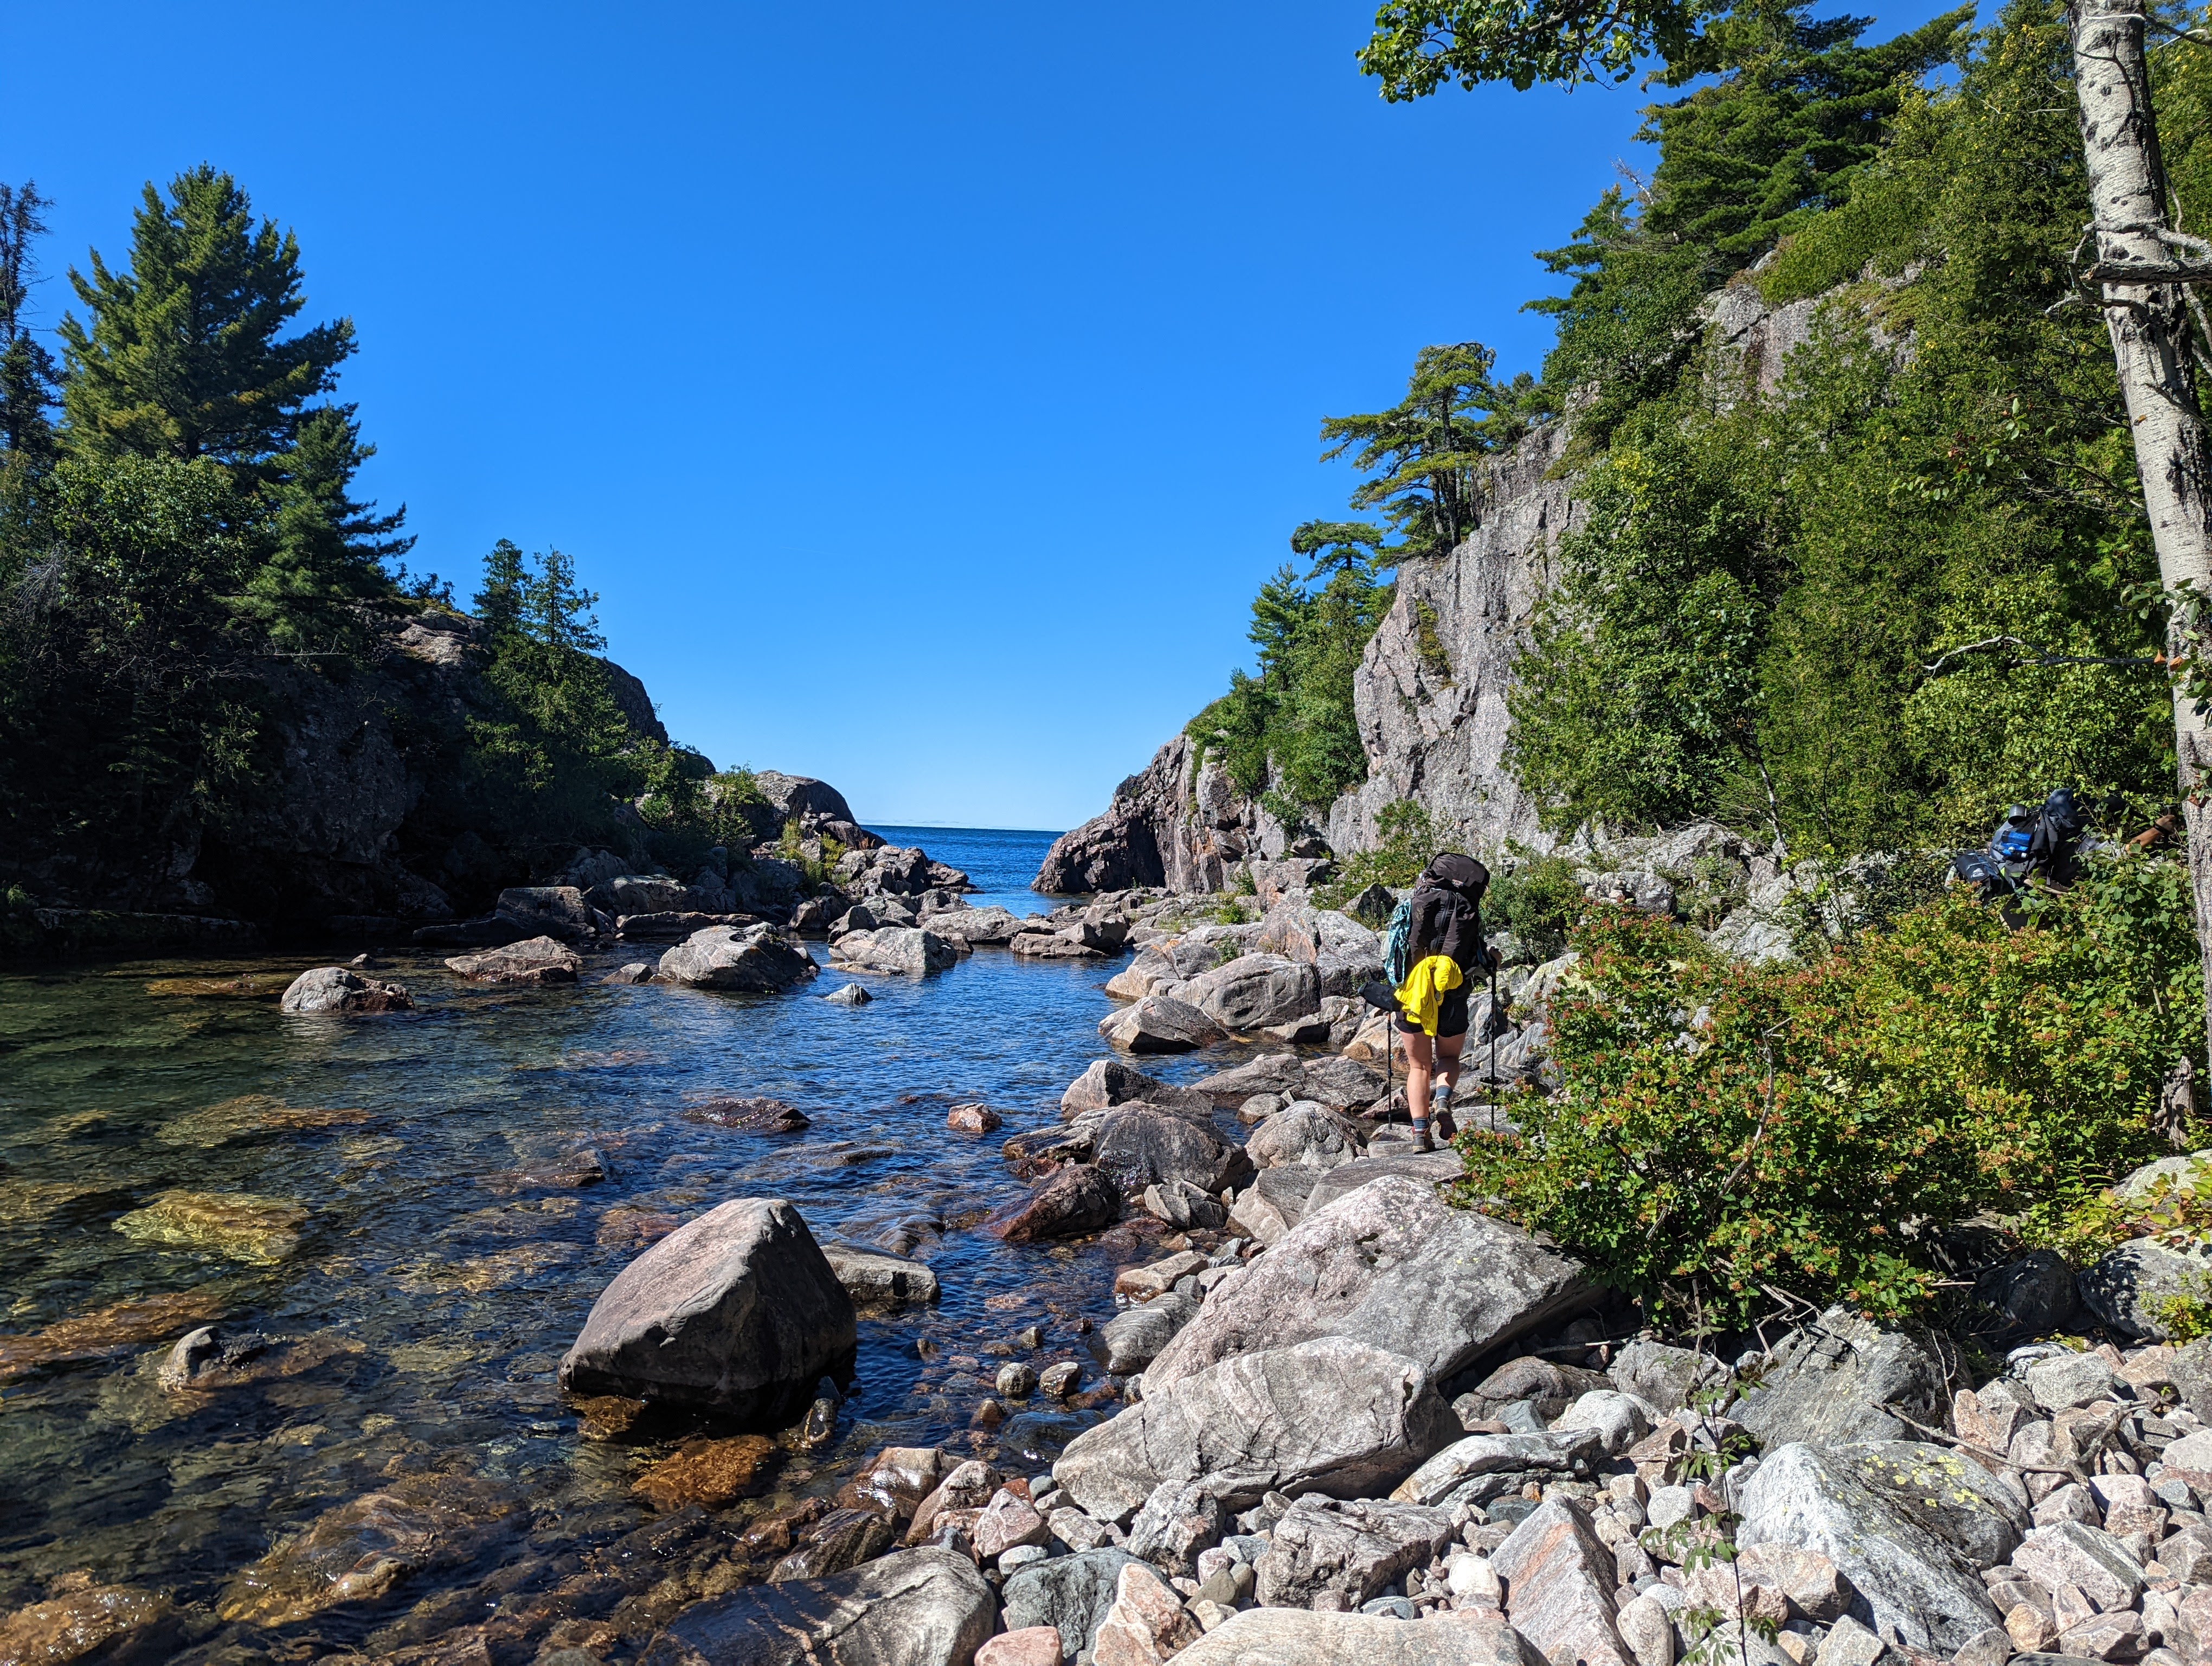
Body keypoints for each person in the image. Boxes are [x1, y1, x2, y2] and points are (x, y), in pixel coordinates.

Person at [1394, 851, 1498, 1151]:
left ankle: (1419, 1134)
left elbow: (1395, 953)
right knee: (1449, 1058)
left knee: (1418, 1067)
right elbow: (1482, 962)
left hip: (1413, 996)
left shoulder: (1415, 904)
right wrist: (1495, 959)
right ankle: (1442, 1100)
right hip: (1452, 997)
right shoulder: (1467, 913)